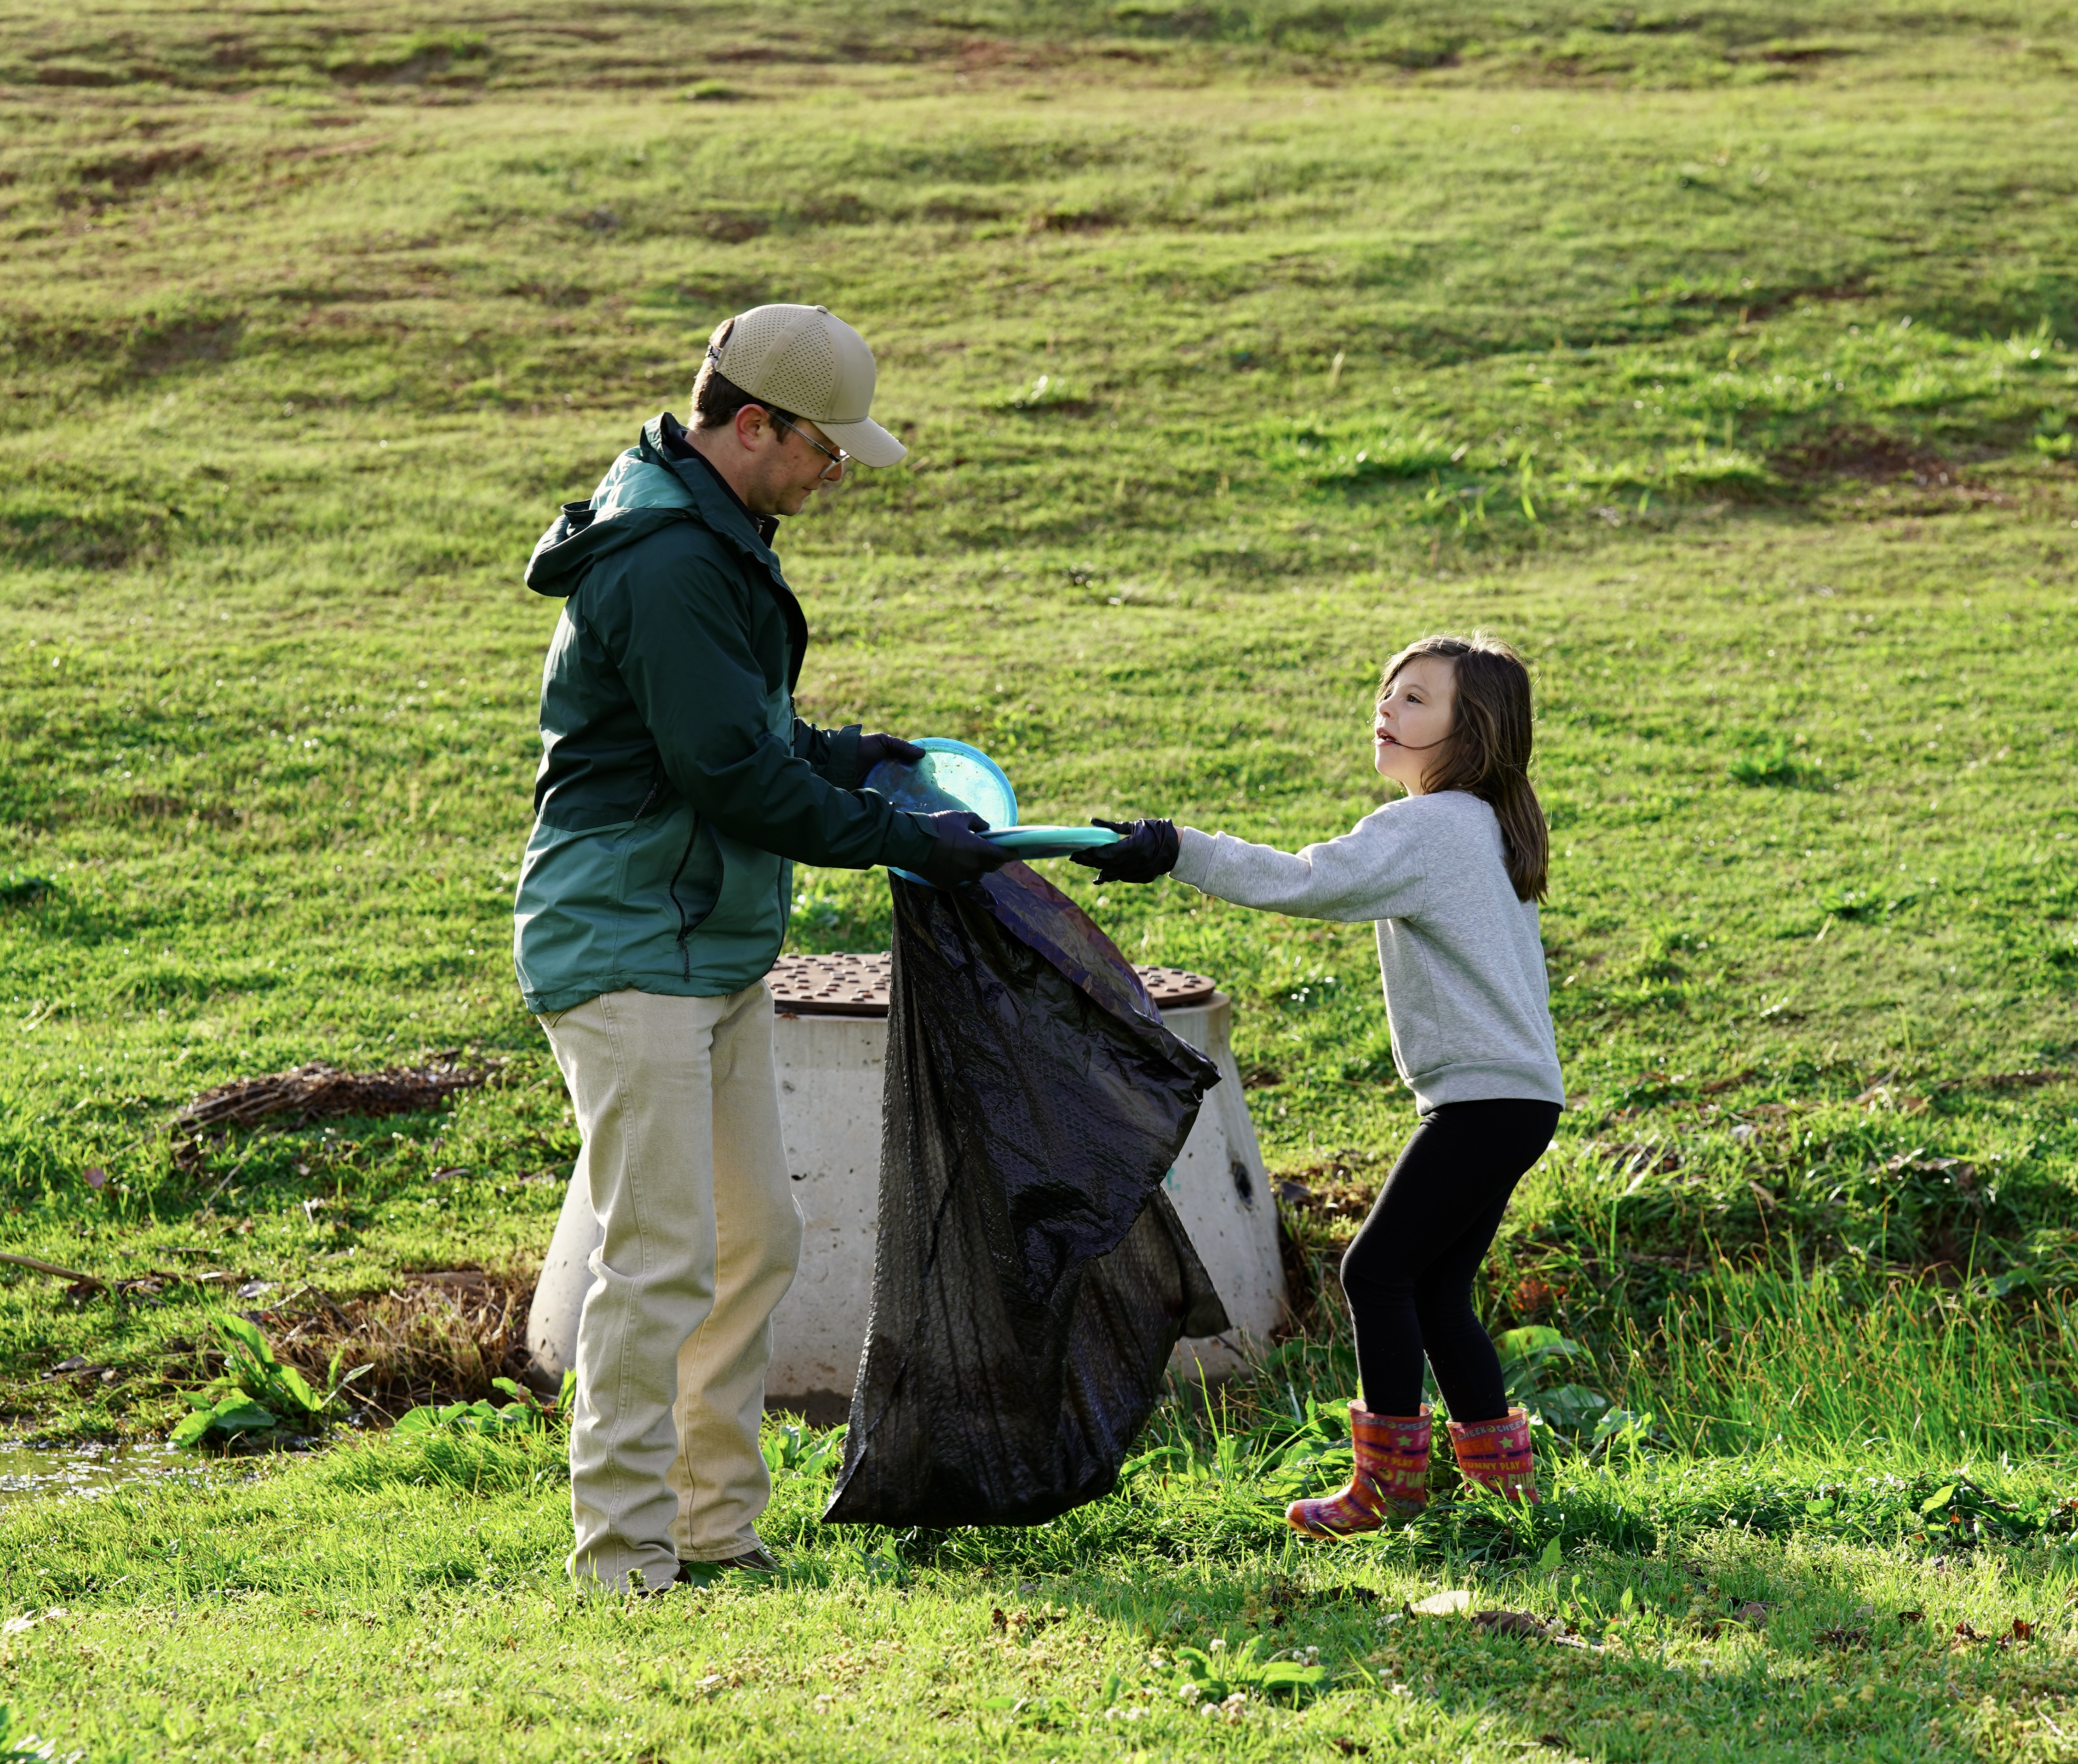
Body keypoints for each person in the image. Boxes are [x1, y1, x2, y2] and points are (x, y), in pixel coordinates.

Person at [513, 302, 1010, 1595]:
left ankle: (713, 1528)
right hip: (629, 940)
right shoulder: (671, 561)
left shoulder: (717, 537)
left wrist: (866, 760)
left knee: (755, 1243)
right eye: (826, 451)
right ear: (751, 426)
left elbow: (745, 729)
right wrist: (901, 836)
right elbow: (730, 774)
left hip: (706, 941)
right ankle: (624, 1556)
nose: (838, 474)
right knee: (664, 1249)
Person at [1073, 633, 1564, 1537]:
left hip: (1487, 1100)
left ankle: (1387, 1487)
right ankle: (1508, 1494)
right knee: (1436, 1289)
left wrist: (1177, 848)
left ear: (1475, 728)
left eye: (1418, 699)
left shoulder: (1435, 824)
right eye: (1389, 691)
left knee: (1374, 1269)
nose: (1389, 707)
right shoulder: (1488, 825)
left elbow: (1306, 880)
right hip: (1519, 1098)